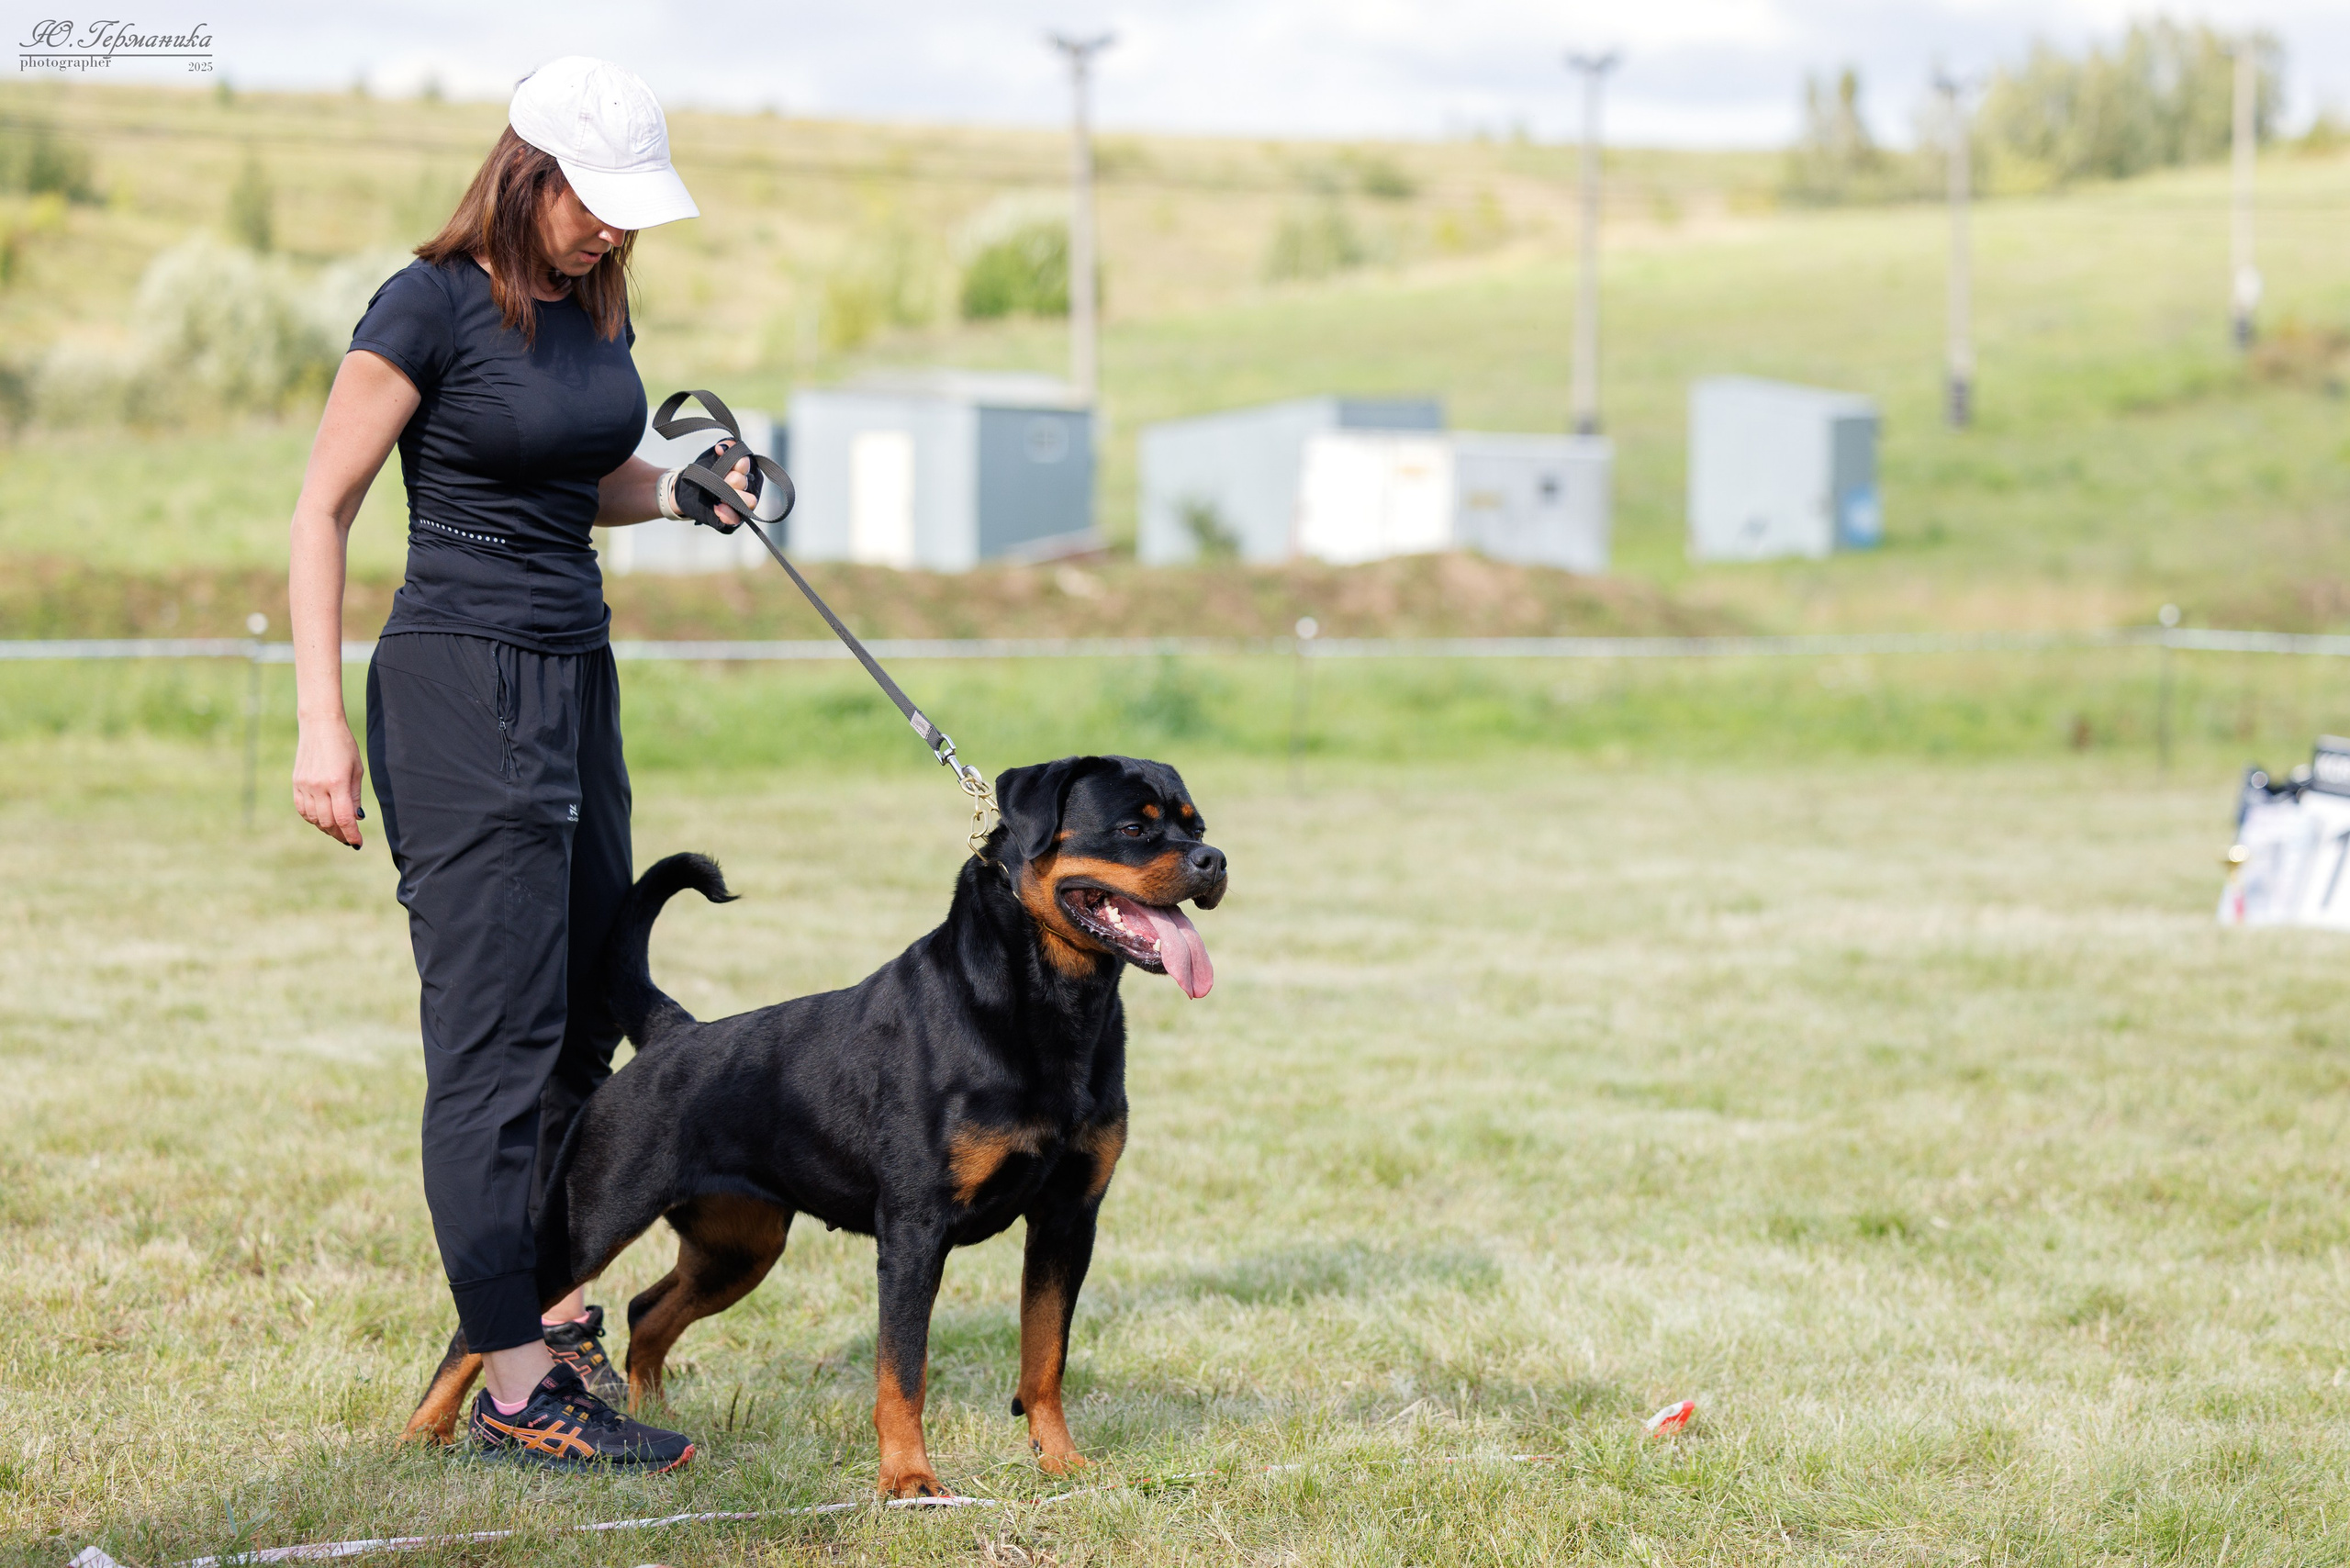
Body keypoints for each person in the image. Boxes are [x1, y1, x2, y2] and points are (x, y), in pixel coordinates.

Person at [285, 57, 754, 1471]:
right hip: (454, 688)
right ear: (528, 172)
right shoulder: (425, 303)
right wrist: (321, 726)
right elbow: (323, 509)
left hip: (575, 682)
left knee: (579, 1018)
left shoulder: (596, 301)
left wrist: (679, 490)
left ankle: (532, 1316)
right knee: (488, 1048)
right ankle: (514, 1388)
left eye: (631, 211)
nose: (615, 231)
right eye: (596, 204)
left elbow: (571, 470)